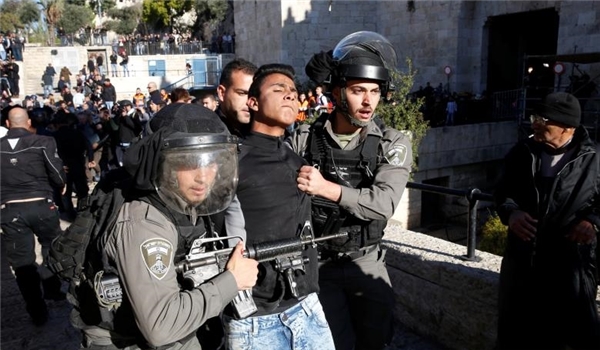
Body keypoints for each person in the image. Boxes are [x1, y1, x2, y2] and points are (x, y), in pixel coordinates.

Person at [73, 105, 259, 349]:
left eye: (212, 162)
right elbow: (161, 327)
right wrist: (232, 281)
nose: (203, 176)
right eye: (188, 162)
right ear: (163, 164)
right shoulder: (145, 222)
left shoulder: (182, 200)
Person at [287, 31, 412, 350]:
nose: (369, 101)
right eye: (358, 91)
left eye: (374, 91)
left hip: (365, 261)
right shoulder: (304, 139)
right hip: (319, 264)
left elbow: (383, 203)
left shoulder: (391, 143)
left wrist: (326, 188)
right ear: (338, 92)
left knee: (375, 340)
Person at [223, 63, 335, 350]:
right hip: (256, 321)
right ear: (253, 102)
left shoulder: (295, 156)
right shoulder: (231, 162)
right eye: (278, 89)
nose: (290, 95)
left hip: (307, 307)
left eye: (294, 91)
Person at [494, 92, 600, 350]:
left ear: (567, 127)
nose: (535, 124)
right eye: (534, 117)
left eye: (543, 119)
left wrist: (594, 221)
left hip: (570, 268)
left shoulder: (595, 158)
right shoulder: (522, 151)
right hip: (521, 266)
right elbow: (501, 191)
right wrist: (511, 213)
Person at [0, 106, 67, 326]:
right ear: (28, 122)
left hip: (10, 210)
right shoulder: (43, 142)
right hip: (41, 205)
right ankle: (53, 289)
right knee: (51, 247)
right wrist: (61, 185)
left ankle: (37, 311)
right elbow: (56, 173)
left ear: (7, 124)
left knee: (22, 263)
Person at [216, 58, 257, 137]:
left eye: (255, 95)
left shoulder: (261, 131)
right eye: (242, 93)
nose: (250, 102)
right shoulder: (206, 130)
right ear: (222, 93)